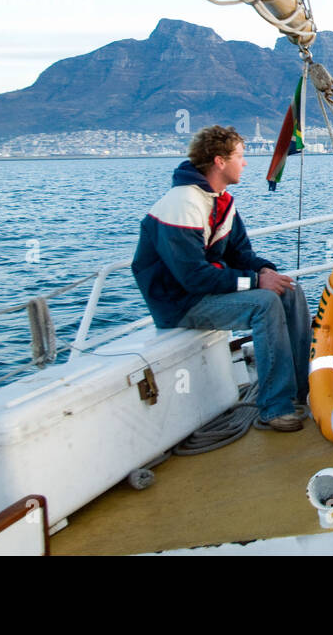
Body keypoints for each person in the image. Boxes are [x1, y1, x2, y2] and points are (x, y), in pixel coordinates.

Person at [131, 125, 311, 431]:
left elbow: (241, 255)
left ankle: (300, 394)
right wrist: (255, 282)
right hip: (181, 303)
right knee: (265, 304)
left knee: (289, 291)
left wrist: (265, 270)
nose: (246, 163)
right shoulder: (183, 204)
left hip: (206, 292)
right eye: (240, 156)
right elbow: (193, 278)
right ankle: (273, 408)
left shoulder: (222, 201)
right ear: (219, 161)